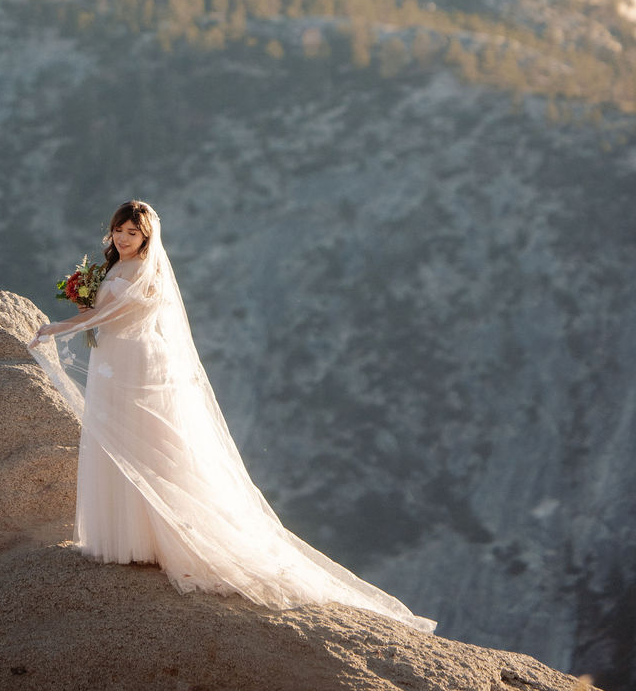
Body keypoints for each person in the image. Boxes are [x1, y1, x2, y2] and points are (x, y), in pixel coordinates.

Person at [27, 199, 436, 632]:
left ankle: (171, 541)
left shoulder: (151, 272)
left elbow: (115, 314)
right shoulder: (113, 267)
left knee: (146, 443)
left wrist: (60, 327)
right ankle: (128, 538)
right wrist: (79, 307)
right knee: (117, 439)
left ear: (147, 235)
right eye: (119, 231)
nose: (125, 239)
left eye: (133, 232)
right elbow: (102, 313)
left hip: (136, 362)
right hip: (112, 361)